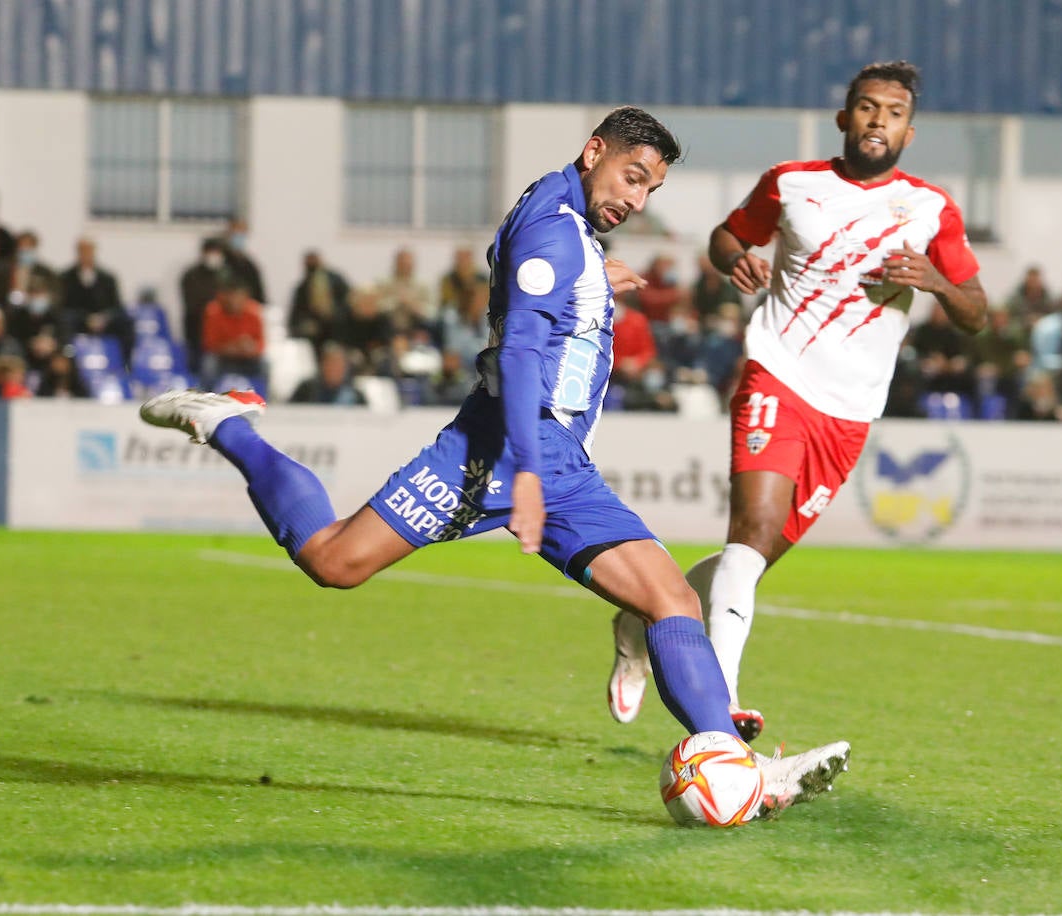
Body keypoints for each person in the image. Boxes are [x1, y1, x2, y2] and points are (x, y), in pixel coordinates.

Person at [138, 106, 851, 816]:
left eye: (648, 191)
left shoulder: (568, 221)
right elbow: (517, 355)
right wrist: (530, 476)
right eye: (631, 178)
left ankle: (739, 765)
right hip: (496, 452)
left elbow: (544, 289)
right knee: (332, 561)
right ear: (593, 150)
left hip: (557, 460)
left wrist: (600, 284)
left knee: (672, 599)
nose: (634, 200)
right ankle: (228, 426)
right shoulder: (553, 228)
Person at [606, 62, 987, 742]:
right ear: (844, 118)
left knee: (751, 558)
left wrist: (934, 281)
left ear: (909, 129)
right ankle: (716, 713)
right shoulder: (793, 183)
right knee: (750, 533)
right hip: (777, 372)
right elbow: (728, 236)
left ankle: (639, 621)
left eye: (892, 112)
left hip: (850, 410)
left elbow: (978, 314)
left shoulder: (932, 210)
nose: (877, 120)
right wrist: (733, 260)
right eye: (866, 108)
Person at [179, 238, 230, 374]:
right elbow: (191, 303)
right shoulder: (191, 275)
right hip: (197, 331)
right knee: (199, 368)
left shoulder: (227, 275)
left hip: (223, 334)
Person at [289, 340, 366, 406]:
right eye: (330, 364)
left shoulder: (356, 396)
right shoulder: (306, 389)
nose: (333, 370)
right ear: (322, 365)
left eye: (338, 366)